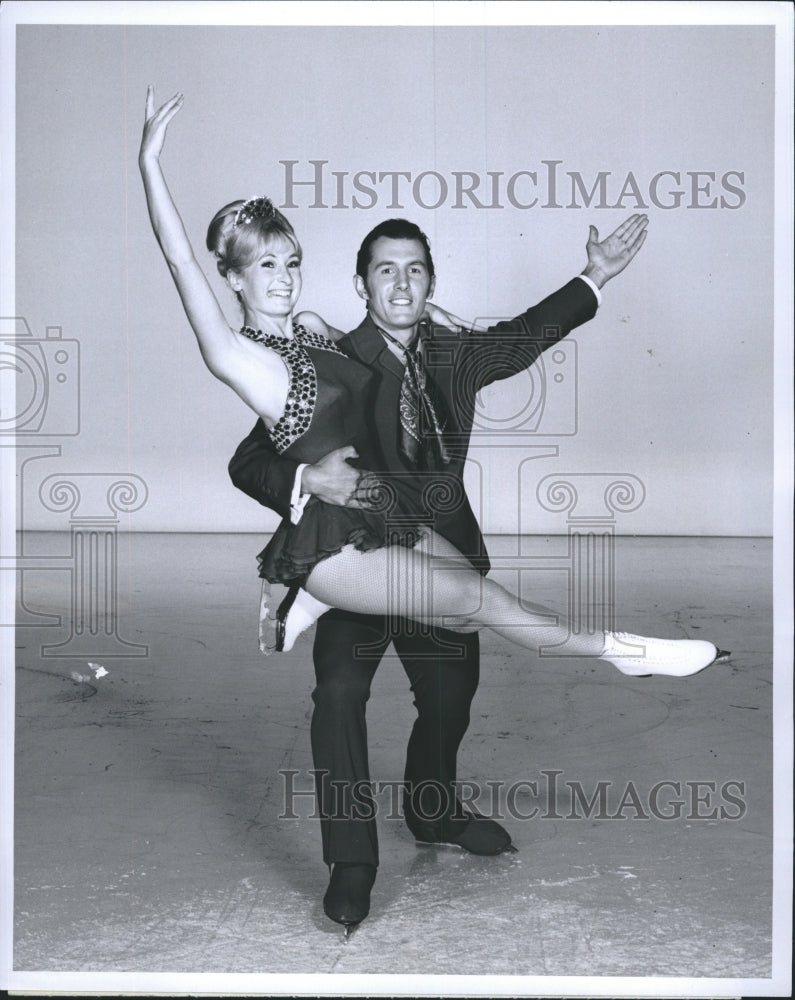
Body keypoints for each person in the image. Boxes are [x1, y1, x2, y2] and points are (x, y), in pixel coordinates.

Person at [141, 88, 727, 933]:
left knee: (450, 694)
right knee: (340, 695)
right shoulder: (313, 353)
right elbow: (250, 454)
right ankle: (351, 862)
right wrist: (309, 484)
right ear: (363, 282)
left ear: (429, 280)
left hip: (426, 539)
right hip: (350, 548)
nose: (402, 282)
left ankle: (435, 812)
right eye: (385, 268)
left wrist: (592, 276)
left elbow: (525, 335)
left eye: (415, 268)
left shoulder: (442, 352)